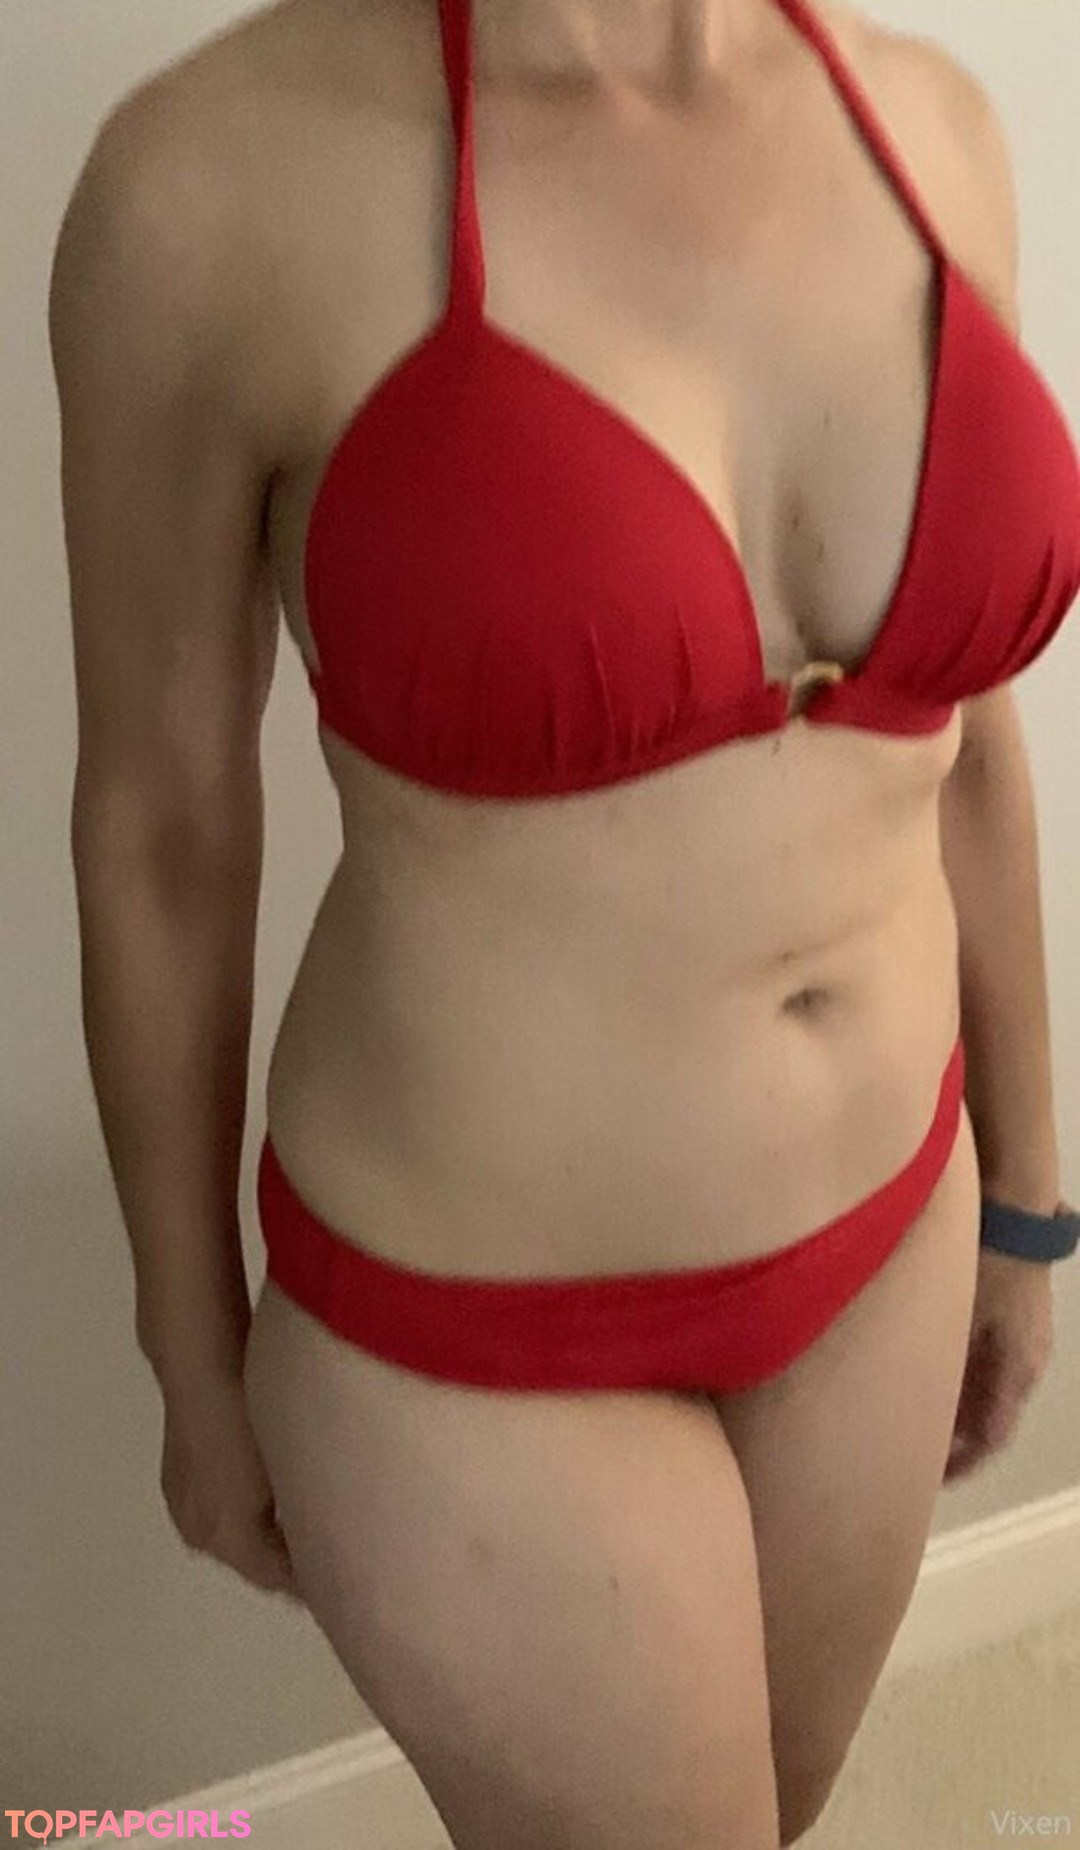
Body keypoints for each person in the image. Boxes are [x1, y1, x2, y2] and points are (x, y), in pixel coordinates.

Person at [50, 0, 1079, 1842]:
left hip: (887, 1233)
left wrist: (1028, 1193)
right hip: (477, 1342)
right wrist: (190, 1353)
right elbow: (162, 831)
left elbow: (970, 740)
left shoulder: (933, 126)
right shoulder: (207, 191)